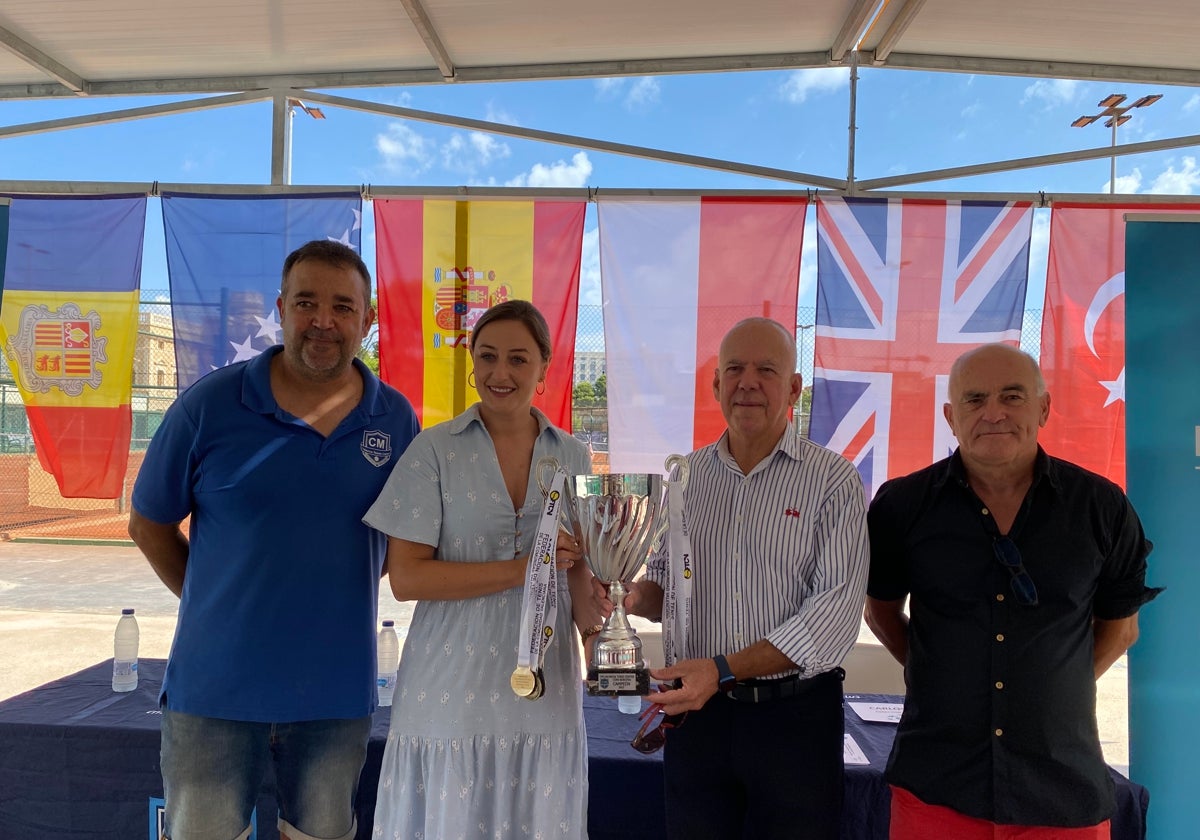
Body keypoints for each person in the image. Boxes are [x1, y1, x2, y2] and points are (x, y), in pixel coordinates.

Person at [127, 239, 420, 840]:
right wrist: (212, 602)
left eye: (342, 306)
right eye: (307, 302)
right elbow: (148, 522)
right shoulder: (210, 405)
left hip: (335, 694)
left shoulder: (395, 420)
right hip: (214, 691)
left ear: (367, 320)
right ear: (282, 309)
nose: (323, 321)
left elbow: (405, 545)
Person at [865, 343, 1160, 839]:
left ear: (1043, 408)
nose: (993, 413)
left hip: (1062, 787)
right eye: (974, 400)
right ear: (950, 417)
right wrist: (937, 671)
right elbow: (881, 613)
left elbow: (1122, 628)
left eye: (1012, 396)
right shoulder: (902, 505)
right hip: (935, 783)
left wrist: (1052, 686)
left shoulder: (1101, 507)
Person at [606, 317, 870, 839]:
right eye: (735, 370)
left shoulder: (833, 480)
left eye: (766, 370)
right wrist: (625, 593)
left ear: (793, 387)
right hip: (698, 720)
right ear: (716, 386)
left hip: (793, 722)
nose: (748, 382)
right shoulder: (687, 476)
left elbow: (832, 619)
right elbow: (667, 587)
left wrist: (723, 669)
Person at [363, 299, 599, 839]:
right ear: (472, 365)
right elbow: (408, 579)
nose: (500, 373)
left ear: (544, 367)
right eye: (487, 357)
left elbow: (581, 572)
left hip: (547, 689)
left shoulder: (574, 457)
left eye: (518, 359)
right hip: (448, 690)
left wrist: (605, 632)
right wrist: (526, 568)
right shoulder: (433, 450)